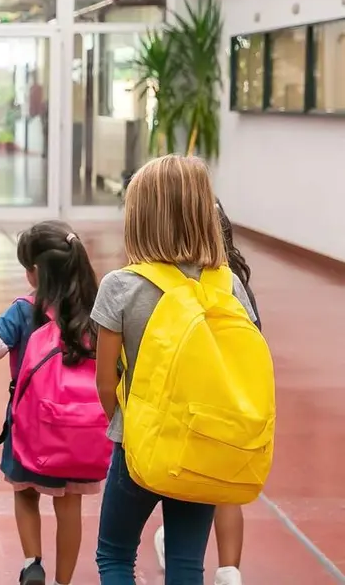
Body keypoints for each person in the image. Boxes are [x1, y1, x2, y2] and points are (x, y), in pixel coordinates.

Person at [92, 155, 260, 585]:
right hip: (204, 443)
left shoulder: (121, 286)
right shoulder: (228, 285)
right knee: (186, 562)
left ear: (140, 217)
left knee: (114, 553)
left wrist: (123, 422)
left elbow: (105, 379)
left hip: (139, 443)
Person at [0, 221, 103, 585]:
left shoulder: (25, 311)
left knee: (25, 492)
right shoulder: (96, 311)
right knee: (69, 504)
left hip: (32, 426)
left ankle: (33, 563)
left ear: (36, 273)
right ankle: (63, 581)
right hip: (81, 432)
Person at [152, 198, 261, 585]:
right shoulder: (235, 284)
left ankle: (175, 539)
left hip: (189, 408)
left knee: (184, 483)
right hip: (234, 403)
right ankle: (230, 569)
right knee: (227, 488)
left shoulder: (175, 283)